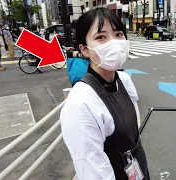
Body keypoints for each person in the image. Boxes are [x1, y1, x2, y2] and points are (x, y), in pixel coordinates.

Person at [60, 7, 150, 180]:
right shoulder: (80, 103)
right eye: (101, 37)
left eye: (118, 34)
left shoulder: (124, 80)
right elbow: (92, 169)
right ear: (84, 49)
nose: (114, 42)